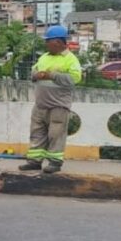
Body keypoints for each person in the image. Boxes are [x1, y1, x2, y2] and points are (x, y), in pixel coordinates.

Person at [19, 25, 81, 174]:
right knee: (37, 132)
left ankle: (55, 162)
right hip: (41, 105)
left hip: (58, 105)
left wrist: (52, 75)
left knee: (56, 134)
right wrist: (36, 75)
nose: (46, 44)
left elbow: (74, 78)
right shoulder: (44, 57)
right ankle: (34, 161)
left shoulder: (70, 59)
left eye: (49, 41)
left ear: (59, 42)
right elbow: (33, 71)